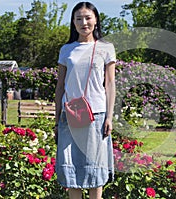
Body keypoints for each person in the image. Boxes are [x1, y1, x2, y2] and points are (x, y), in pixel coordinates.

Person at [54, 2, 116, 199]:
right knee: (71, 166)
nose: (84, 22)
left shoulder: (105, 48)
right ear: (73, 22)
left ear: (96, 20)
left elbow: (111, 84)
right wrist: (57, 119)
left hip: (96, 115)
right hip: (69, 115)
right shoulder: (66, 50)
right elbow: (60, 86)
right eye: (78, 18)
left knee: (94, 167)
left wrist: (109, 117)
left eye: (88, 17)